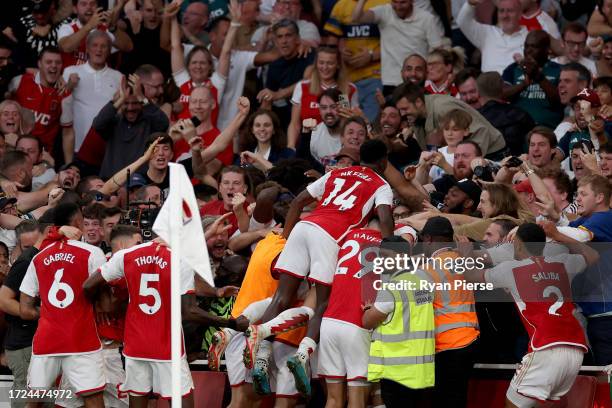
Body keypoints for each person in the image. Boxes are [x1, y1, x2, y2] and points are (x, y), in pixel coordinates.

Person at [243, 139, 394, 398]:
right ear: (383, 161)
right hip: (330, 236)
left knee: (281, 296)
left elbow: (299, 201)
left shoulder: (338, 173)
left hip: (305, 226)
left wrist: (288, 237)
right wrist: (392, 244)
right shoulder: (381, 184)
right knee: (323, 301)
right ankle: (303, 354)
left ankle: (262, 356)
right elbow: (385, 217)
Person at [83, 230, 249, 406]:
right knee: (181, 400)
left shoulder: (126, 255)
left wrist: (100, 304)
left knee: (138, 400)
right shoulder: (178, 259)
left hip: (136, 345)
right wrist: (230, 323)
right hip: (166, 346)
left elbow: (88, 285)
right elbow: (189, 311)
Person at [464, 222, 599, 407]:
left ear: (518, 245)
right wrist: (559, 236)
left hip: (546, 346)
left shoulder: (511, 269)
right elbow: (593, 255)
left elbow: (469, 275)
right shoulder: (563, 263)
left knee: (512, 403)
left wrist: (465, 252)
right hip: (575, 347)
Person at [18, 203, 107, 406]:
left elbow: (25, 309)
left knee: (34, 400)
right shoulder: (92, 253)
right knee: (93, 398)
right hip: (81, 339)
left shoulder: (39, 258)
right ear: (77, 222)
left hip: (47, 339)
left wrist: (52, 314)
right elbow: (105, 303)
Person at [363, 237, 435, 408]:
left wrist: (367, 309)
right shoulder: (425, 279)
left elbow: (368, 321)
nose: (381, 261)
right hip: (420, 368)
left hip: (396, 369)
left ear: (401, 256)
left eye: (386, 256)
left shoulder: (391, 288)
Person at [320, 226, 382, 407]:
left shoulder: (349, 233)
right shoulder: (391, 240)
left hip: (329, 321)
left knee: (333, 399)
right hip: (356, 323)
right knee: (357, 397)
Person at [392, 82, 506, 158]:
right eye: (400, 110)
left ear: (418, 102)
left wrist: (470, 163)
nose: (402, 114)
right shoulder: (417, 116)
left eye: (405, 109)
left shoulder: (443, 108)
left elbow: (481, 130)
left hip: (493, 155)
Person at [351, 0, 445, 92]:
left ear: (412, 1)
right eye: (395, 2)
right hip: (390, 82)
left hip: (417, 81)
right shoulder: (384, 12)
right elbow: (356, 18)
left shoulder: (427, 18)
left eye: (403, 2)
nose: (398, 7)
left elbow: (438, 52)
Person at [93, 75, 169, 180]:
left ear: (142, 103)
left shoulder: (149, 122)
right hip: (111, 183)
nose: (130, 108)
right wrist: (120, 100)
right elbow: (98, 124)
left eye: (135, 103)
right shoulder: (114, 122)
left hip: (139, 185)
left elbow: (163, 123)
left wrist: (142, 97)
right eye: (126, 103)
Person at [9, 47, 74, 163]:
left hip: (41, 159)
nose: (54, 65)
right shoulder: (19, 81)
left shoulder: (65, 95)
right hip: (13, 151)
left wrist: (69, 165)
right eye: (48, 62)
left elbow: (67, 133)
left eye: (58, 63)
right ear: (39, 64)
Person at [62, 30, 123, 154]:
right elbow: (60, 105)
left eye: (103, 46)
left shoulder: (118, 77)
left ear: (109, 50)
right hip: (77, 146)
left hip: (108, 148)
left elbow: (121, 112)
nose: (99, 50)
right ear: (87, 49)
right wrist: (69, 86)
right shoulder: (70, 71)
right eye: (94, 45)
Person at [324, 0, 385, 121]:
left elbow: (395, 45)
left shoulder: (385, 3)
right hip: (346, 81)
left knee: (368, 122)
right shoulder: (341, 5)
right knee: (344, 116)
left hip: (374, 77)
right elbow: (331, 44)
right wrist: (340, 53)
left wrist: (372, 56)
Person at [287, 46, 358, 150]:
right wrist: (291, 146)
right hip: (307, 148)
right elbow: (294, 124)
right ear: (316, 64)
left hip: (337, 149)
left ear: (338, 65)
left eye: (330, 63)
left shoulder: (347, 89)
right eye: (321, 63)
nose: (325, 67)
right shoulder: (303, 87)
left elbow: (348, 122)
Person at [258, 19, 315, 127]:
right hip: (295, 117)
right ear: (275, 42)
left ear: (298, 38)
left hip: (319, 111)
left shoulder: (310, 54)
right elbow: (268, 99)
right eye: (279, 37)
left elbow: (308, 81)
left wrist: (279, 94)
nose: (284, 41)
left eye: (288, 35)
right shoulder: (275, 66)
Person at [502, 30, 562, 129]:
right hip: (518, 128)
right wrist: (523, 84)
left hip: (547, 128)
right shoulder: (513, 68)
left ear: (547, 49)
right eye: (526, 46)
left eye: (534, 47)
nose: (528, 50)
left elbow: (558, 102)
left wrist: (538, 76)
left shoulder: (558, 69)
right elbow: (503, 94)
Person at [457, 0, 528, 74]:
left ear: (520, 14)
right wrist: (470, 4)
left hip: (518, 84)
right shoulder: (487, 33)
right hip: (488, 84)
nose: (505, 15)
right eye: (501, 11)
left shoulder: (529, 37)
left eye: (510, 11)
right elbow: (462, 22)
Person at [476, 71, 536, 156]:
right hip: (516, 164)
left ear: (478, 92)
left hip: (483, 165)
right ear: (502, 87)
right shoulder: (520, 114)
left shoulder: (474, 118)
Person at [57, 0, 132, 68]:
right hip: (73, 81)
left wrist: (112, 27)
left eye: (92, 4)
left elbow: (128, 47)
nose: (89, 7)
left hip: (100, 80)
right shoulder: (67, 28)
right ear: (75, 9)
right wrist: (89, 26)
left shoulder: (105, 28)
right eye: (84, 4)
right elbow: (65, 47)